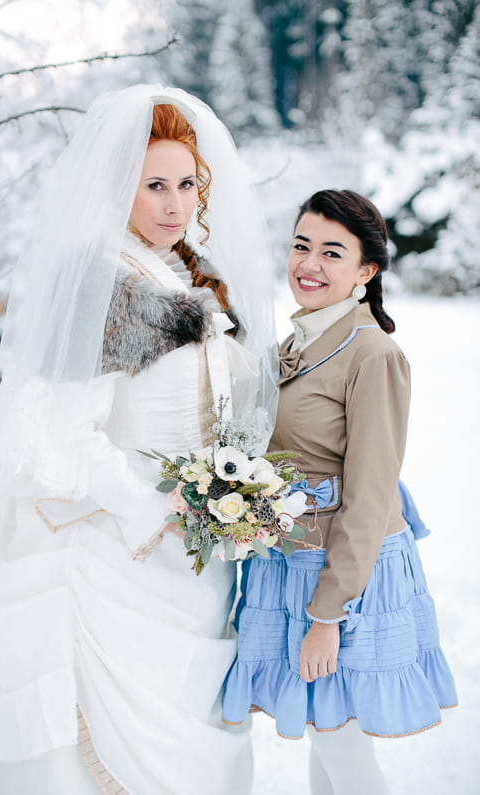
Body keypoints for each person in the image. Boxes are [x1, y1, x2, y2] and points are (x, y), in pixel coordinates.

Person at [0, 85, 278, 795]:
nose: (174, 203)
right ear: (116, 188)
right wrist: (149, 509)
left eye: (186, 183)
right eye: (153, 185)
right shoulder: (101, 284)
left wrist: (231, 491)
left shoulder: (197, 280)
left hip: (198, 560)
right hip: (112, 551)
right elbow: (55, 430)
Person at [222, 189, 457, 795]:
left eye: (332, 252)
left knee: (342, 746)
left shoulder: (373, 353)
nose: (309, 264)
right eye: (301, 246)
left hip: (346, 573)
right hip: (291, 558)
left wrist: (328, 614)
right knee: (327, 733)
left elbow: (374, 494)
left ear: (366, 270)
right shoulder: (293, 346)